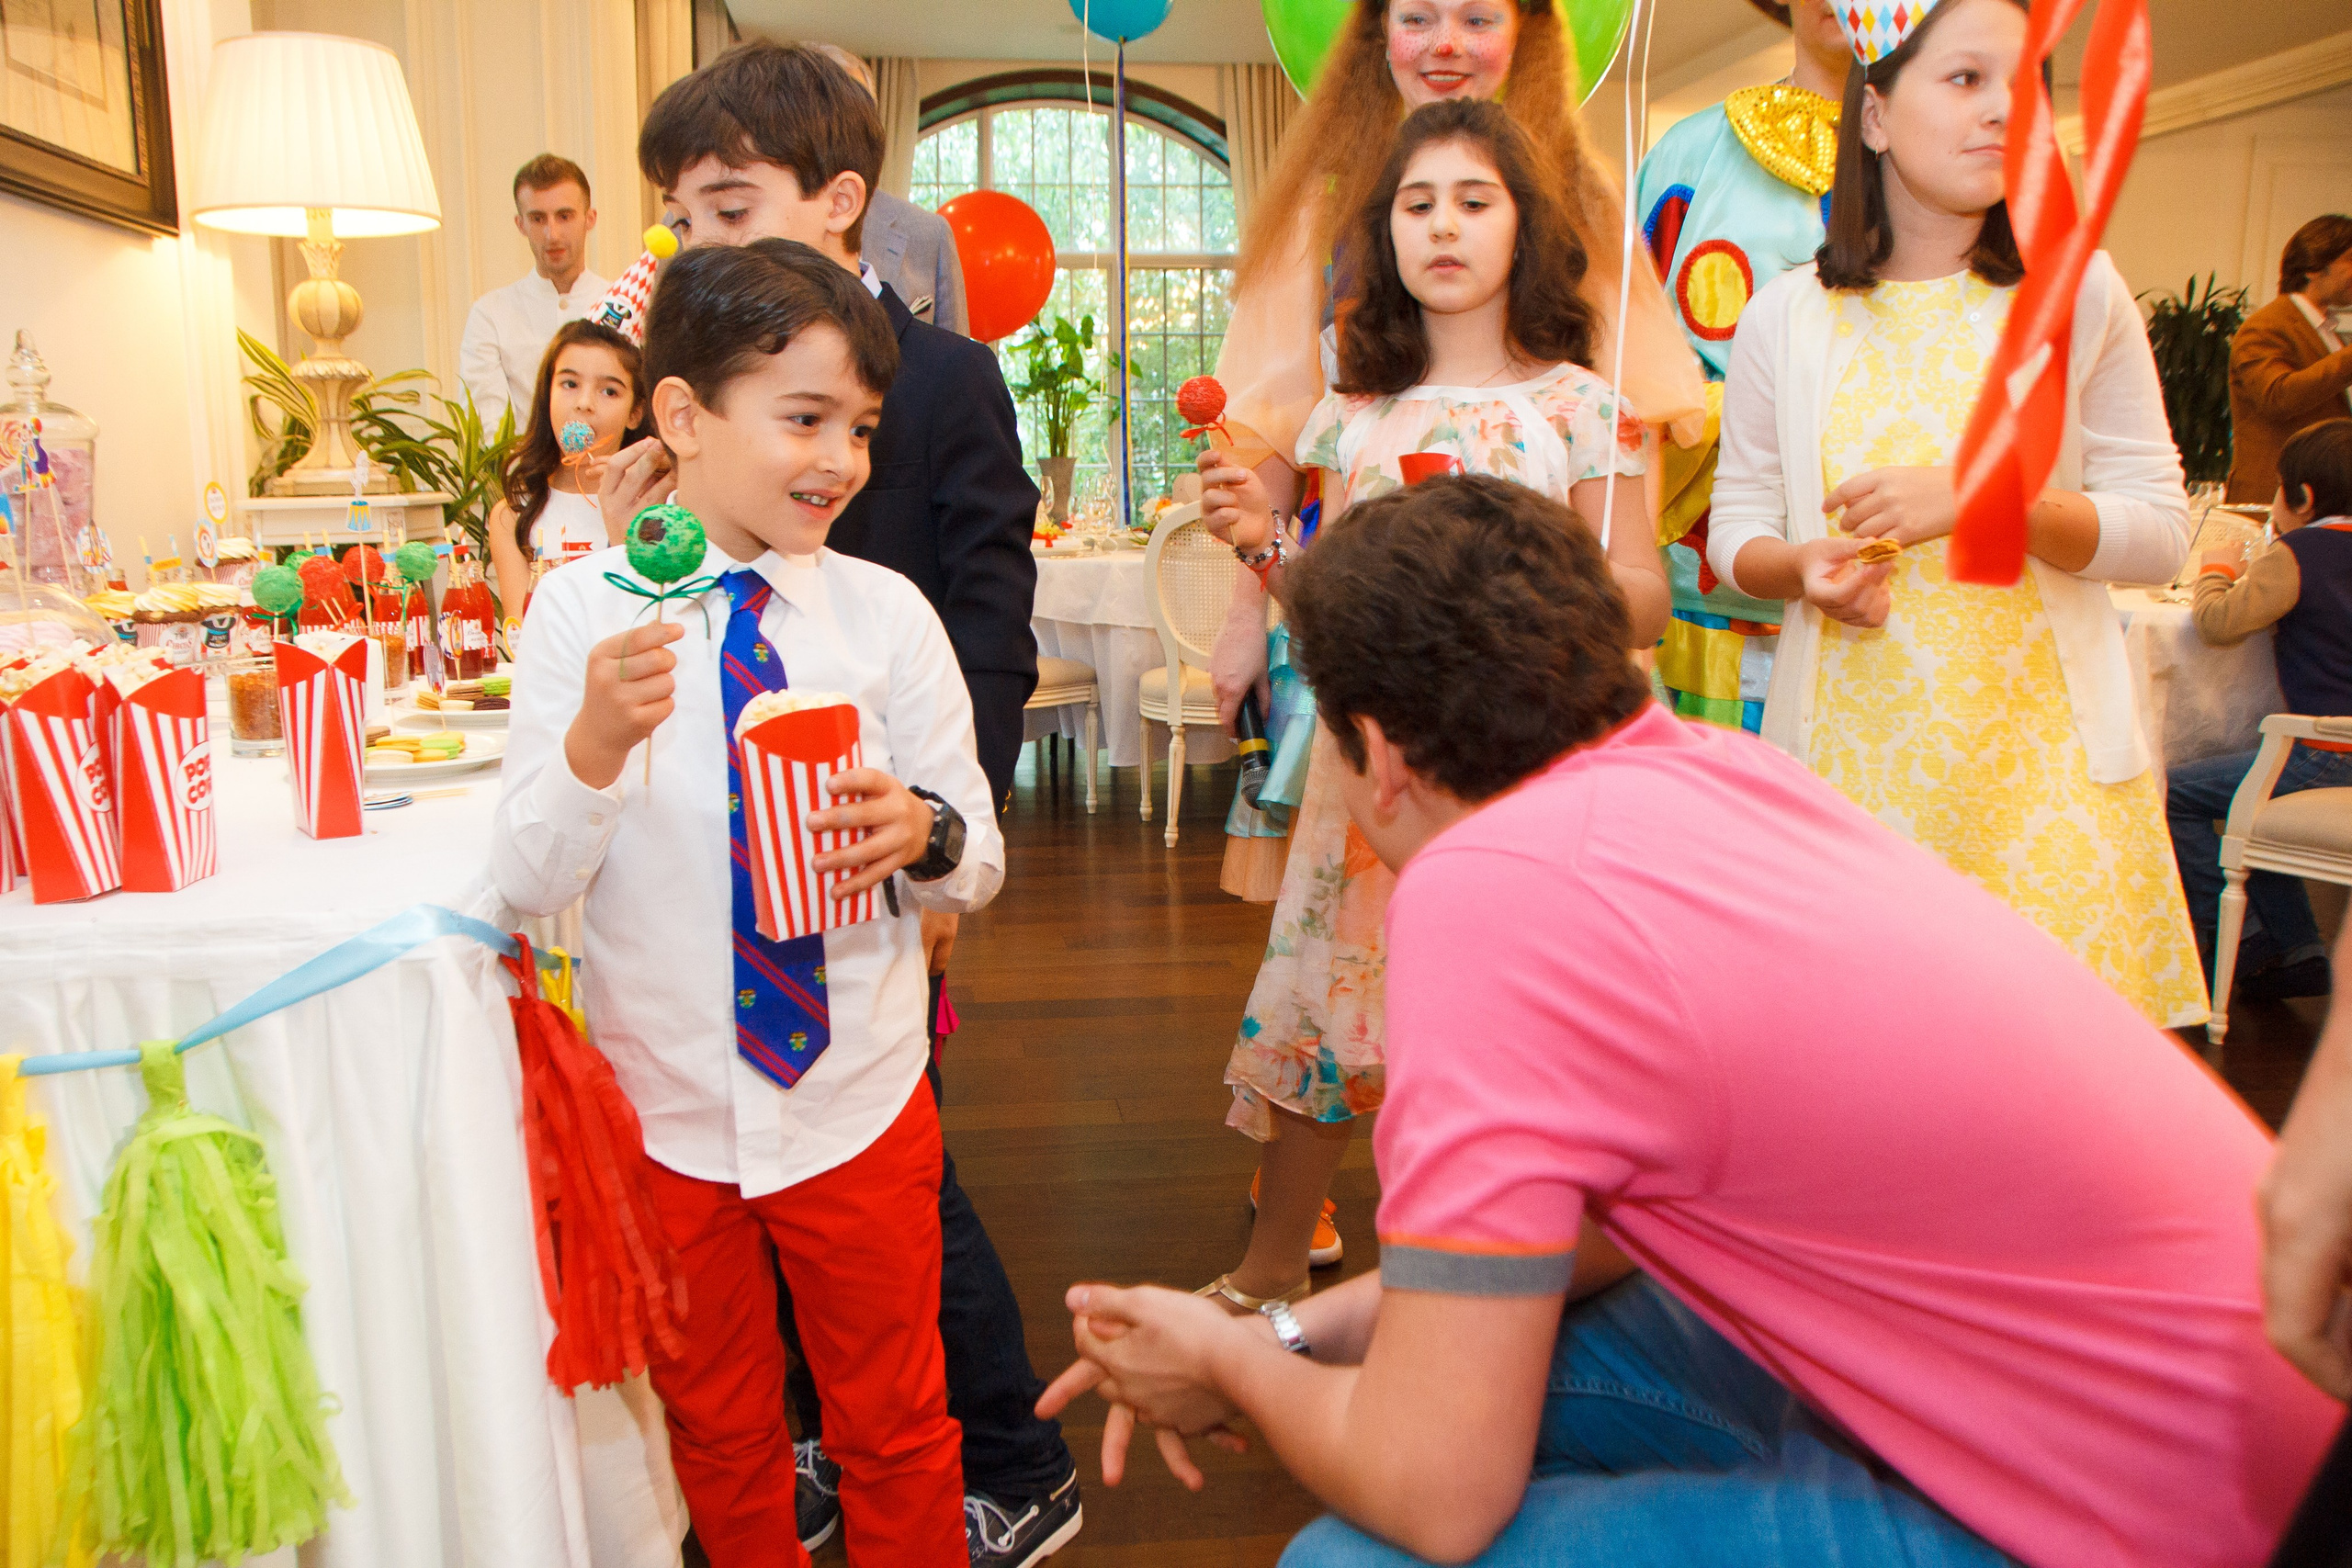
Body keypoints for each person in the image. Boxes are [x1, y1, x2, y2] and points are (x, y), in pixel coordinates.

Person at [1037, 472, 2339, 1568]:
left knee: (1349, 1558)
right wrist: (1272, 1334)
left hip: (2170, 1520)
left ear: (1375, 749)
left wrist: (1239, 1363)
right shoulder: (1711, 766)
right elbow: (1588, 1230)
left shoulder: (1491, 891)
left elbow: (1436, 1485)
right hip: (2272, 1412)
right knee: (1580, 1348)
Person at [617, 42, 1072, 1568]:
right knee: (774, 1166)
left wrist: (951, 836)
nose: (703, 244)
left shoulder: (943, 377)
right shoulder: (688, 400)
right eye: (683, 218)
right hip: (729, 868)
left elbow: (990, 619)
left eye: (731, 208)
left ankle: (1008, 1451)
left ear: (841, 206)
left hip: (881, 840)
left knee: (896, 1167)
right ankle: (808, 1439)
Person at [493, 240, 999, 1566]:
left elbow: (980, 850)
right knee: (718, 1424)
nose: (841, 458)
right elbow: (530, 880)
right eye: (804, 417)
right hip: (671, 1110)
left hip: (859, 1095)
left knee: (896, 1414)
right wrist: (597, 738)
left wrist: (923, 829)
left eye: (862, 427)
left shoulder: (885, 617)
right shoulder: (580, 617)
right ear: (682, 417)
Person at [1206, 0, 1704, 1278]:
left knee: (1515, 1015)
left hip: (1530, 762)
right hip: (1370, 762)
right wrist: (1261, 555)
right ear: (1380, 232)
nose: (1443, 225)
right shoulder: (1346, 412)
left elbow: (1643, 592)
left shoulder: (1586, 409)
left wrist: (1557, 595)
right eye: (1416, 204)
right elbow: (1313, 593)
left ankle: (1508, 1268)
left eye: (1475, 202)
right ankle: (1271, 1262)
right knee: (1331, 999)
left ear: (1529, 227)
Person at [1705, 0, 2207, 1029]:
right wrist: (1800, 569)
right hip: (1852, 773)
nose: (2001, 116)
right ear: (1877, 114)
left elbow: (2160, 529)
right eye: (1966, 81)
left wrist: (1994, 501)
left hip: (2046, 777)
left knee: (2056, 1111)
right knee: (1874, 1100)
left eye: (2024, 89)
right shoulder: (1787, 317)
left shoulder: (2078, 295)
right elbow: (1733, 533)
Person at [1634, 0, 1850, 731]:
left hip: (1906, 601)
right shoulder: (1690, 157)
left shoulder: (1978, 168)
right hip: (1706, 606)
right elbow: (1623, 371)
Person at [2166, 419, 2352, 1005]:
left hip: (2322, 754)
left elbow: (2220, 625)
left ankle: (2239, 940)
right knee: (2252, 797)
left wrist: (2216, 571)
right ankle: (2297, 949)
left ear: (2303, 497)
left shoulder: (2299, 553)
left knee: (2174, 792)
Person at [487, 319, 651, 636]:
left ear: (636, 412)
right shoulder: (512, 516)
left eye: (609, 391)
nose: (584, 403)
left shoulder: (659, 503)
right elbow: (526, 637)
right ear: (547, 394)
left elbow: (653, 617)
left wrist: (621, 510)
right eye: (569, 384)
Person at [810, 43, 970, 334]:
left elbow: (954, 363)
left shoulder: (929, 234)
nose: (838, 127)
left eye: (854, 110)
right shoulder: (757, 225)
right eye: (821, 110)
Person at [459, 154, 611, 423]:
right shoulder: (490, 314)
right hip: (522, 465)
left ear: (590, 219)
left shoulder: (622, 302)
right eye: (538, 219)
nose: (552, 234)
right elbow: (487, 423)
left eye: (564, 216)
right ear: (521, 225)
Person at [2228, 215, 2352, 506]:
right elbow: (2277, 397)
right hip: (2275, 503)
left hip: (2318, 502)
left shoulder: (2327, 332)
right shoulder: (2266, 326)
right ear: (2314, 266)